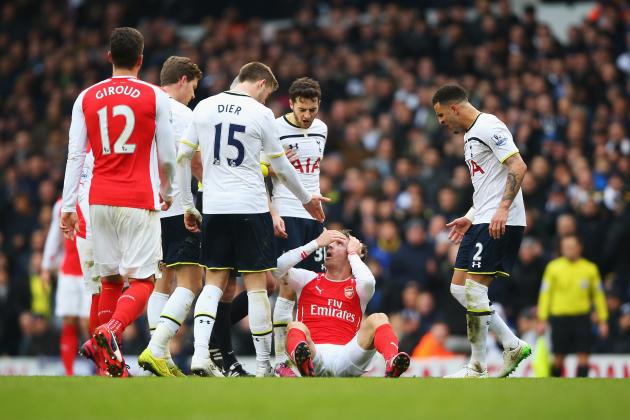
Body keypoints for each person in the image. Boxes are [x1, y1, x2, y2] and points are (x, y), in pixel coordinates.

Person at [176, 62, 328, 377]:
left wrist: (189, 204)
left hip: (214, 207)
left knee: (214, 282)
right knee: (259, 285)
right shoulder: (260, 115)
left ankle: (201, 355)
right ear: (260, 84)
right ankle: (262, 366)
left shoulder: (204, 107)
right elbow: (282, 167)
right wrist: (306, 199)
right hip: (250, 206)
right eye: (267, 94)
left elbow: (183, 156)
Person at [59, 27, 176, 377]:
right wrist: (167, 191)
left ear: (109, 57)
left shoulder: (87, 97)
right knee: (144, 281)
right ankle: (109, 332)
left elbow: (75, 156)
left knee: (109, 281)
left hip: (98, 200)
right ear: (141, 59)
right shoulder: (155, 96)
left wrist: (67, 207)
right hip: (139, 199)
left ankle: (110, 367)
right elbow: (168, 155)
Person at [432, 84, 531, 378]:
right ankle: (511, 343)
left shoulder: (489, 126)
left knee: (475, 290)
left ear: (453, 108)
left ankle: (477, 366)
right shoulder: (469, 137)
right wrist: (469, 215)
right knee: (459, 288)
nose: (440, 122)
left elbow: (518, 166)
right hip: (482, 218)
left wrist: (501, 209)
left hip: (501, 220)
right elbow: (488, 185)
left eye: (440, 115)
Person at [138, 56, 204, 377]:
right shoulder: (181, 113)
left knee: (161, 283)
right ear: (182, 80)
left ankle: (159, 358)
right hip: (177, 206)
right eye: (193, 86)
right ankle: (155, 349)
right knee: (192, 281)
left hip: (146, 207)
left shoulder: (146, 106)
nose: (193, 94)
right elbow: (193, 161)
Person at [273, 229, 410, 377]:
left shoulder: (359, 287)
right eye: (330, 243)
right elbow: (276, 268)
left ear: (353, 252)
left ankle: (392, 362)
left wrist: (353, 254)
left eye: (339, 243)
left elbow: (368, 282)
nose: (329, 246)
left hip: (346, 356)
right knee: (295, 326)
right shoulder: (307, 279)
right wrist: (316, 243)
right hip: (314, 353)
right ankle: (304, 365)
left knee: (379, 318)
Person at [266, 77, 328, 376]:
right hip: (288, 211)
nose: (307, 115)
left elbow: (311, 171)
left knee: (311, 288)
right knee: (287, 285)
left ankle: (305, 353)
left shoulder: (321, 129)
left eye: (312, 109)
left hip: (314, 215)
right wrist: (273, 211)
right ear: (290, 103)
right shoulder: (275, 128)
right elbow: (258, 169)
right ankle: (279, 360)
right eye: (302, 109)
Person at [536, 234, 609, 377]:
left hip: (582, 318)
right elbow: (545, 294)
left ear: (579, 248)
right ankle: (555, 388)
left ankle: (582, 389)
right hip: (559, 318)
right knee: (558, 357)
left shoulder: (590, 269)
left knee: (584, 355)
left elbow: (598, 296)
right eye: (566, 247)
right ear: (561, 249)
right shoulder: (553, 268)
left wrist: (603, 319)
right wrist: (542, 318)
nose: (569, 250)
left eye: (572, 247)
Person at [41, 199, 89, 376]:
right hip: (68, 271)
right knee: (69, 320)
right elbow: (55, 234)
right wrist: (46, 265)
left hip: (89, 271)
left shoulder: (92, 198)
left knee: (89, 323)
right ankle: (69, 371)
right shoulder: (61, 205)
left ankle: (101, 367)